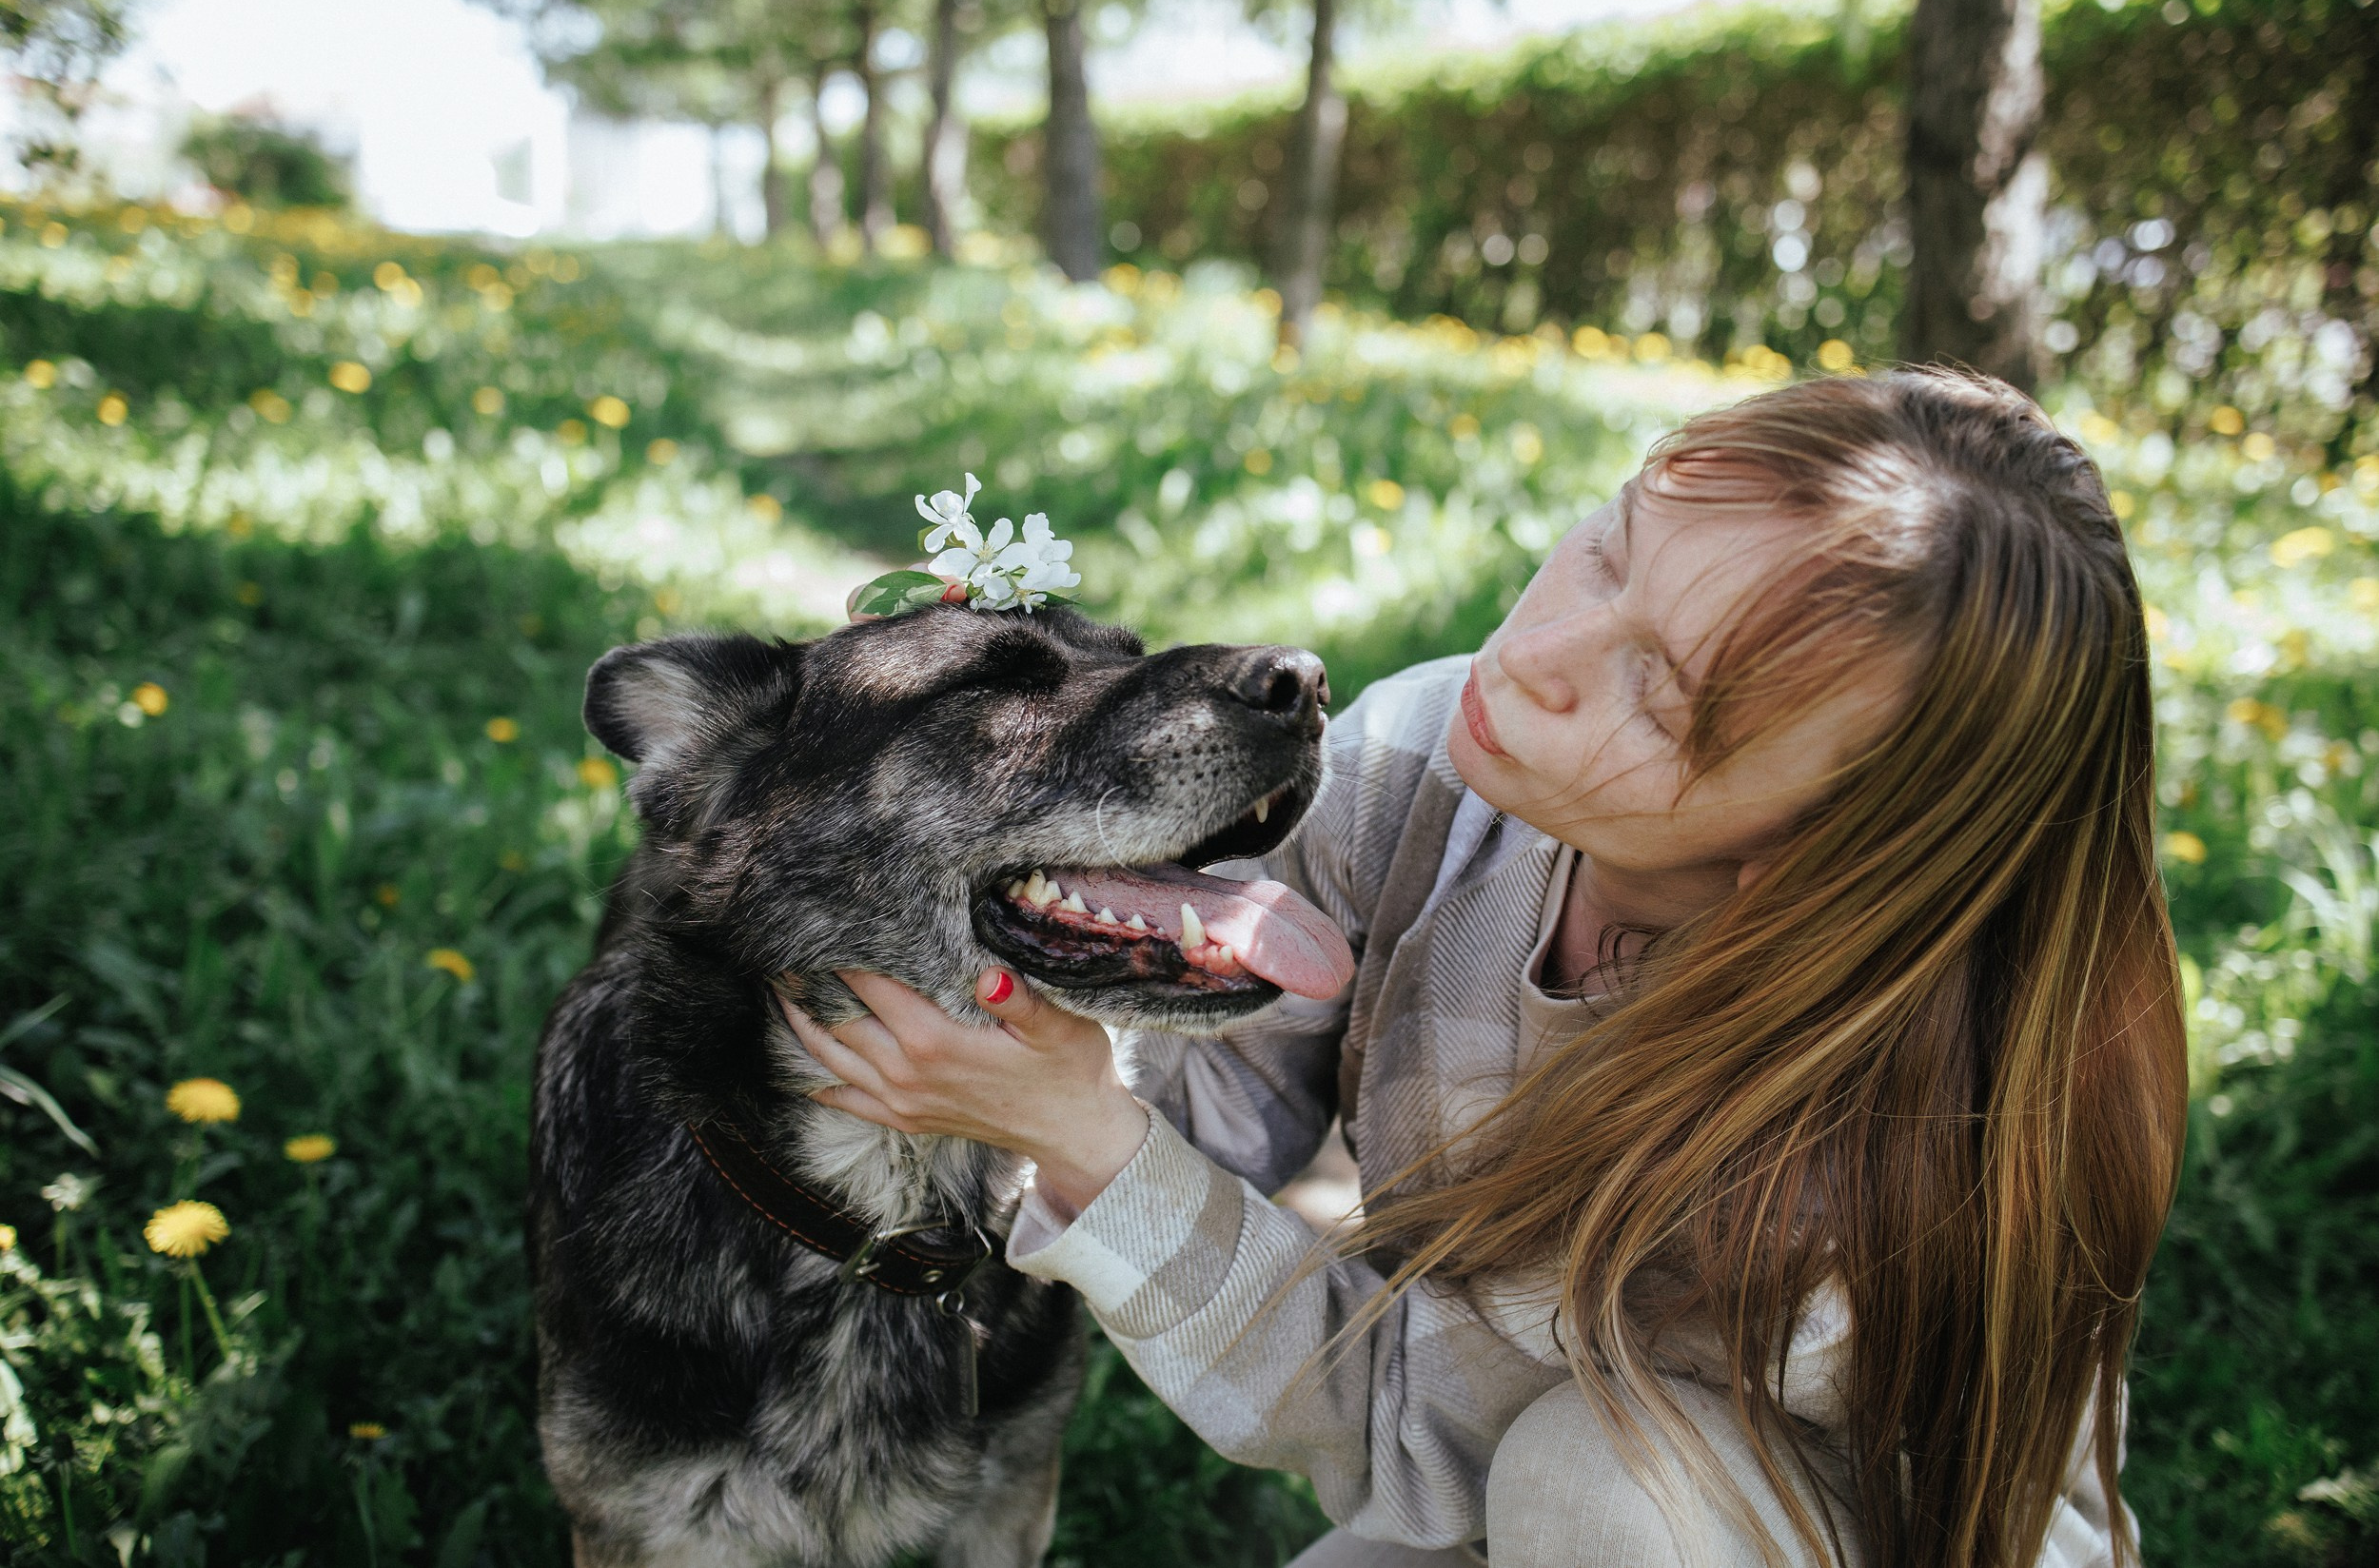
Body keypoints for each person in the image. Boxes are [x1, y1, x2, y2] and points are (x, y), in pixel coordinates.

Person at [790, 369, 2187, 1568]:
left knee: (1593, 1477)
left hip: (1697, 1524)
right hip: (1491, 1485)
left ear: (1816, 860)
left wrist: (1080, 1134)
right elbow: (1205, 1120)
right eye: (1607, 550)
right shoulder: (1417, 774)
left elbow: (1403, 1435)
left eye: (1664, 694)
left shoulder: (1829, 1173)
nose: (1539, 656)